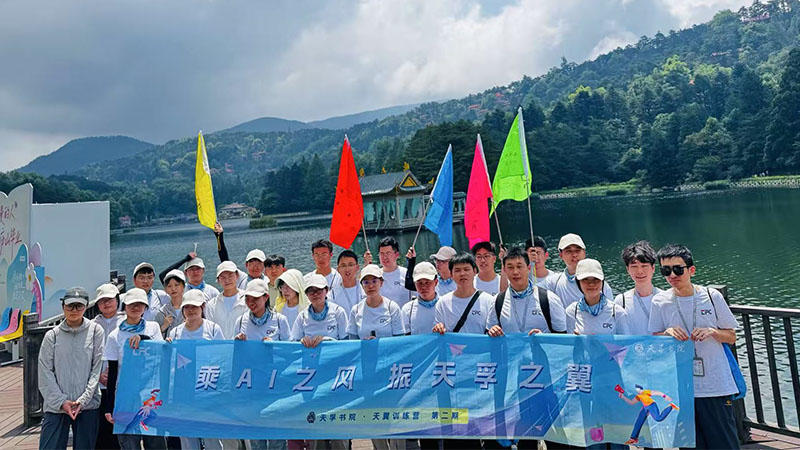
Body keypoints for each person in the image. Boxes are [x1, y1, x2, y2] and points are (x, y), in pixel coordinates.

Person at [649, 244, 739, 449]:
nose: (672, 275)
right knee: (691, 445)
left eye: (678, 269)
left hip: (715, 386)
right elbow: (654, 339)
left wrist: (712, 332)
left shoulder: (711, 296)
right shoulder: (660, 301)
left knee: (725, 444)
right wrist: (667, 333)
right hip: (681, 388)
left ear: (691, 270)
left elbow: (731, 336)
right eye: (666, 270)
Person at [38, 287, 105, 450]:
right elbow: (45, 372)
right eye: (70, 306)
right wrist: (61, 402)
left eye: (79, 306)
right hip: (56, 406)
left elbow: (96, 370)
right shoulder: (52, 335)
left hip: (87, 405)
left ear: (86, 307)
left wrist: (83, 400)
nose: (74, 310)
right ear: (63, 307)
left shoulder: (96, 331)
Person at [289, 274, 349, 450]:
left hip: (335, 375)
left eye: (318, 290)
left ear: (326, 291)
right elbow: (292, 344)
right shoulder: (302, 316)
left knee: (338, 423)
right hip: (312, 377)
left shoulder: (338, 312)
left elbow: (347, 344)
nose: (315, 294)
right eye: (311, 291)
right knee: (315, 424)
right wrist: (301, 343)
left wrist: (326, 340)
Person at [102, 288, 166, 450]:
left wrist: (143, 338)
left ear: (145, 307)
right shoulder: (115, 336)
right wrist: (109, 406)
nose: (136, 307)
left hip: (151, 395)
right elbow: (113, 373)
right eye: (132, 304)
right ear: (125, 306)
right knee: (129, 443)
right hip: (126, 397)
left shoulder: (153, 328)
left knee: (155, 443)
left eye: (140, 304)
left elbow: (161, 352)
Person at [165, 290, 225, 450]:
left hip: (208, 389)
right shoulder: (175, 332)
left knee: (212, 436)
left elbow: (222, 358)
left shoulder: (213, 329)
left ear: (202, 307)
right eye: (187, 307)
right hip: (184, 392)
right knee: (187, 437)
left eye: (195, 306)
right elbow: (170, 363)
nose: (191, 310)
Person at [487, 247, 567, 336]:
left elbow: (563, 336)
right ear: (505, 270)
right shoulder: (497, 301)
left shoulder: (549, 299)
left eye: (519, 266)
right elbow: (488, 334)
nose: (515, 272)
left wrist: (544, 338)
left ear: (529, 268)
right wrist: (492, 331)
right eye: (510, 267)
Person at [92, 284, 124, 450]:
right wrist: (97, 374)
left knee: (119, 426)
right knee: (101, 428)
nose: (106, 304)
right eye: (102, 301)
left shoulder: (126, 321)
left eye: (110, 299)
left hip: (120, 383)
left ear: (117, 300)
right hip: (97, 384)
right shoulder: (92, 325)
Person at [433, 252, 493, 336]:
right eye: (457, 270)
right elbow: (437, 332)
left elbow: (492, 329)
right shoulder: (443, 303)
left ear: (474, 271)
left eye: (466, 269)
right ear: (451, 274)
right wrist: (438, 328)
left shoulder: (489, 301)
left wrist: (495, 330)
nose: (462, 274)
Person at [564, 259, 629, 335]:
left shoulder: (617, 312)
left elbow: (624, 341)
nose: (591, 284)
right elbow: (571, 341)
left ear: (602, 281)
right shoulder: (571, 311)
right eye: (585, 279)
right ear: (578, 282)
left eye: (596, 279)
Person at [552, 233, 614, 309]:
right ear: (561, 255)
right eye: (568, 251)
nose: (574, 255)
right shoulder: (554, 282)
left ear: (584, 253)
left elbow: (611, 310)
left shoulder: (601, 285)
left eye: (578, 250)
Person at [614, 241, 662, 335]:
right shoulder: (621, 301)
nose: (639, 271)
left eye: (644, 266)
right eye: (634, 266)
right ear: (628, 269)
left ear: (653, 268)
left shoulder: (665, 298)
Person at [347, 264, 406, 339]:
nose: (370, 286)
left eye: (374, 281)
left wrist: (378, 343)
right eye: (366, 282)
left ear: (381, 283)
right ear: (362, 285)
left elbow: (399, 340)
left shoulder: (392, 308)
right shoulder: (356, 310)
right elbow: (353, 342)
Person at [213, 222, 268, 289]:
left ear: (264, 265)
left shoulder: (268, 281)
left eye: (258, 264)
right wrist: (219, 237)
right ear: (246, 265)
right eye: (252, 264)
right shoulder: (241, 278)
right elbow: (225, 261)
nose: (255, 267)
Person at [234, 279, 291, 343]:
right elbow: (234, 348)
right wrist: (237, 343)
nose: (251, 303)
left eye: (256, 298)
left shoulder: (280, 320)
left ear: (266, 297)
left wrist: (273, 345)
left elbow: (289, 347)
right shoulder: (240, 321)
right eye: (247, 298)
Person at [205, 261, 248, 339]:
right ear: (218, 280)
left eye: (230, 276)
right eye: (223, 277)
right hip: (219, 346)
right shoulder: (211, 305)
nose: (227, 280)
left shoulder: (248, 300)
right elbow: (210, 330)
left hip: (242, 345)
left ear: (237, 276)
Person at [371, 237, 413, 307]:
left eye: (388, 253)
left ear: (397, 255)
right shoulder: (375, 275)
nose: (384, 257)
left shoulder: (406, 274)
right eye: (382, 253)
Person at [402, 262, 440, 336]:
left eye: (427, 282)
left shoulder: (445, 305)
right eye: (419, 283)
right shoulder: (407, 310)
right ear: (414, 284)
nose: (423, 287)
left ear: (436, 282)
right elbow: (405, 339)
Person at [154, 269, 186, 338]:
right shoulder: (161, 312)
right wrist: (164, 326)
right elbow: (155, 337)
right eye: (169, 286)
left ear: (183, 286)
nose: (173, 289)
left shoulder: (191, 308)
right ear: (165, 289)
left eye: (176, 285)